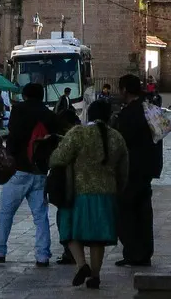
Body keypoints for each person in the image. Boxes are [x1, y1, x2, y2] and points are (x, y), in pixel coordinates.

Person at [49, 98, 128, 289]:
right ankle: (95, 275)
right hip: (107, 194)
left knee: (69, 230)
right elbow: (124, 169)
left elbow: (57, 158)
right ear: (109, 116)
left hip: (78, 193)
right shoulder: (116, 137)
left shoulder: (78, 133)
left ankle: (81, 264)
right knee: (97, 237)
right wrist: (118, 190)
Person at [0, 82, 57, 267]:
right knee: (40, 215)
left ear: (25, 95)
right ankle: (43, 255)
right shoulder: (49, 114)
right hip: (40, 170)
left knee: (6, 212)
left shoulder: (19, 110)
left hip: (19, 169)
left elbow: (14, 138)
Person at [114, 74, 162, 269]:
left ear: (125, 90)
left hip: (130, 170)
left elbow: (120, 144)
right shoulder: (151, 110)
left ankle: (133, 252)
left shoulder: (127, 115)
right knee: (144, 212)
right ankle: (144, 252)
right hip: (148, 168)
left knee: (126, 213)